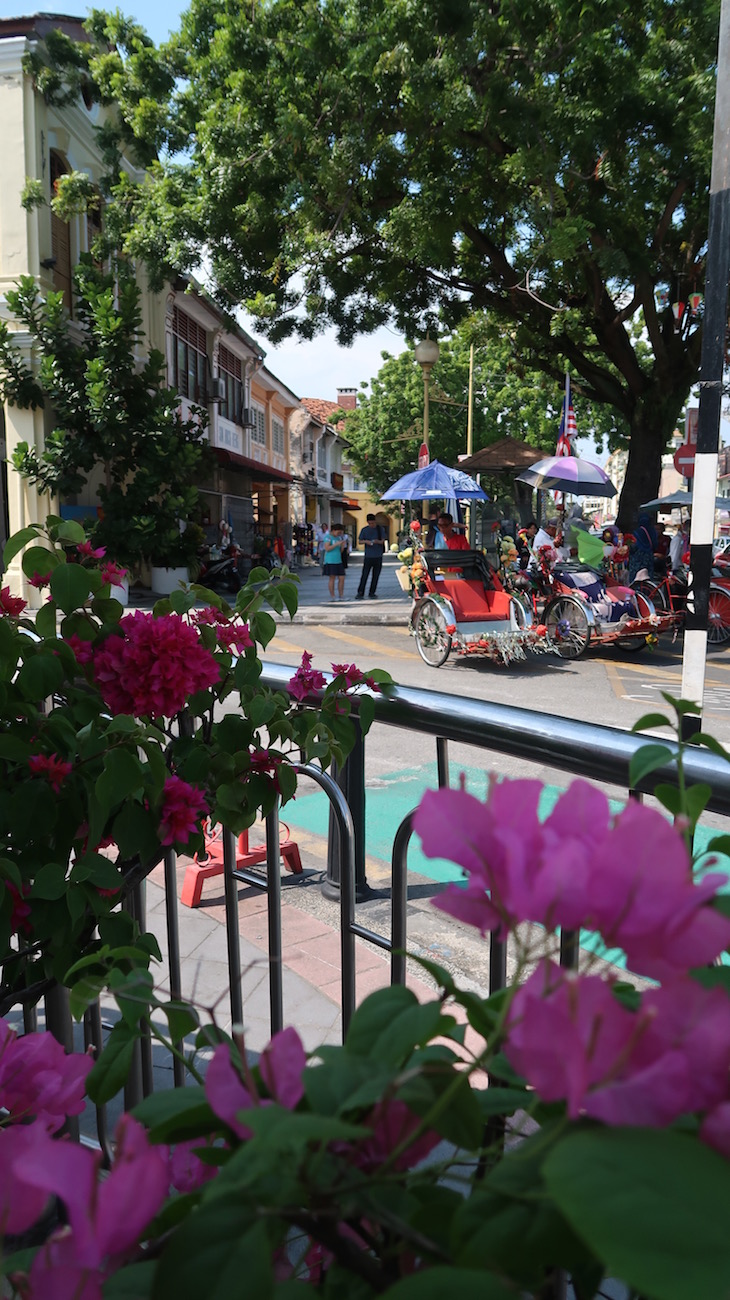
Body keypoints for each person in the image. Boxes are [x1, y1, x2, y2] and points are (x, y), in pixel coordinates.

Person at [356, 513, 386, 599]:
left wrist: (377, 541)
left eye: (373, 523)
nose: (372, 525)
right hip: (368, 556)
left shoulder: (380, 529)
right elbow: (360, 541)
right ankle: (360, 592)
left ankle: (372, 592)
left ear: (375, 521)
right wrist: (366, 542)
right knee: (364, 575)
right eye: (370, 523)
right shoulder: (364, 530)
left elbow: (383, 541)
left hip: (378, 555)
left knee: (375, 576)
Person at [628, 513, 657, 583]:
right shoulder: (653, 531)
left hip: (637, 560)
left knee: (636, 581)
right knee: (647, 580)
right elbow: (655, 545)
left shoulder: (637, 532)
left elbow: (633, 547)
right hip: (648, 558)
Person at [322, 522, 347, 600]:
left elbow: (340, 551)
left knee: (342, 578)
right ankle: (333, 596)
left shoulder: (339, 538)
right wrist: (336, 544)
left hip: (338, 560)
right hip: (330, 561)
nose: (339, 534)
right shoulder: (328, 537)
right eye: (338, 532)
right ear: (333, 530)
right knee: (332, 578)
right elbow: (327, 548)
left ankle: (341, 595)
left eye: (340, 532)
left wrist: (342, 546)